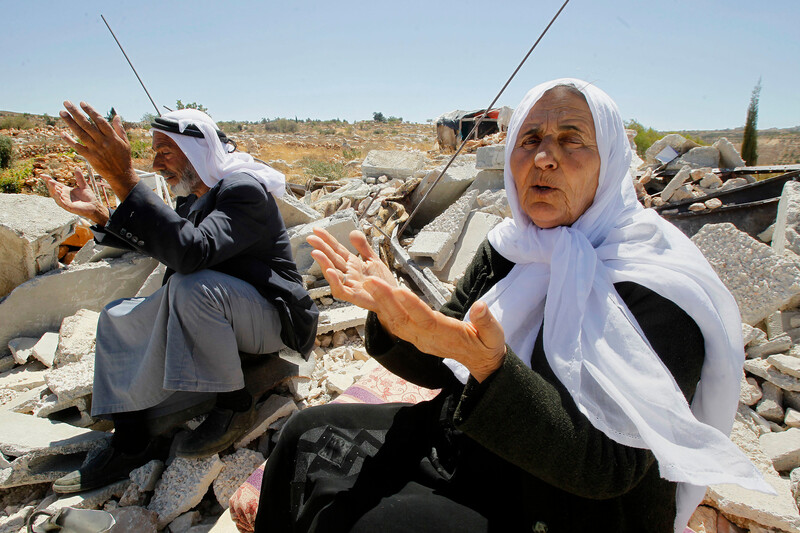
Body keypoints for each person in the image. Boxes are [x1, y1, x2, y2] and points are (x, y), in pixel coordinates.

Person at [253, 79, 771, 533]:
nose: (545, 157)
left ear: (609, 163)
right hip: (468, 445)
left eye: (571, 140)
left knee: (362, 520)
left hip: (562, 502)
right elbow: (443, 364)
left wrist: (489, 368)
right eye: (530, 139)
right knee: (304, 433)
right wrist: (399, 319)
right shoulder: (514, 245)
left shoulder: (656, 285)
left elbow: (609, 467)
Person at [43, 102, 318, 493]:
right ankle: (131, 440)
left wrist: (123, 177)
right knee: (118, 314)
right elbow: (171, 245)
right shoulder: (193, 197)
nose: (155, 164)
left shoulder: (243, 190)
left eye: (164, 151)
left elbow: (193, 254)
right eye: (153, 153)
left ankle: (234, 405)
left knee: (191, 286)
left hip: (271, 321)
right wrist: (104, 217)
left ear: (197, 150)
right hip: (223, 316)